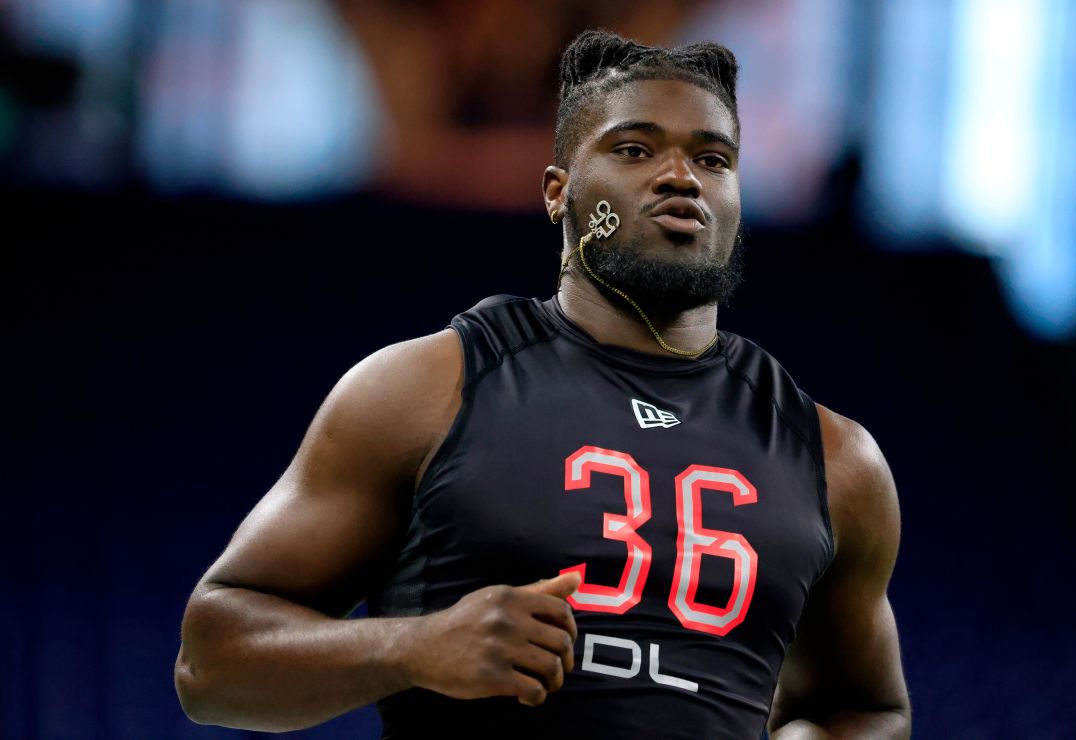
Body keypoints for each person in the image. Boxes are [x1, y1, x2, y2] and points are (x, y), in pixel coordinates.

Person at [174, 30, 911, 739]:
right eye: (634, 148)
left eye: (713, 159)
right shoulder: (428, 389)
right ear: (559, 192)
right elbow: (210, 665)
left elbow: (867, 710)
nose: (681, 176)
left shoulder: (834, 457)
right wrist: (413, 647)